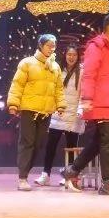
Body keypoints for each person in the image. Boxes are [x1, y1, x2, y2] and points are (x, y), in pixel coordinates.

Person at [60, 14, 109, 196]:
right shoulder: (96, 46)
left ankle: (72, 170)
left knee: (99, 142)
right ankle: (108, 183)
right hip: (102, 102)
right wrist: (87, 99)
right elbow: (89, 74)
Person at [7, 34, 66, 191]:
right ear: (40, 45)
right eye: (49, 45)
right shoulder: (27, 63)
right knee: (27, 142)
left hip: (45, 112)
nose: (52, 48)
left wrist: (60, 105)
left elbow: (59, 89)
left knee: (38, 144)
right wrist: (13, 104)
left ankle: (25, 173)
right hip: (29, 110)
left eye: (54, 46)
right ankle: (22, 178)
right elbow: (17, 84)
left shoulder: (55, 67)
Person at [35, 44, 85, 186]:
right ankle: (46, 175)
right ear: (65, 55)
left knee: (71, 148)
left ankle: (68, 175)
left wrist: (80, 110)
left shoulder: (82, 72)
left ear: (78, 56)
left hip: (73, 114)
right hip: (58, 113)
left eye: (74, 55)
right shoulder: (57, 69)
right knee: (50, 146)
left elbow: (83, 93)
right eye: (69, 54)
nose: (71, 57)